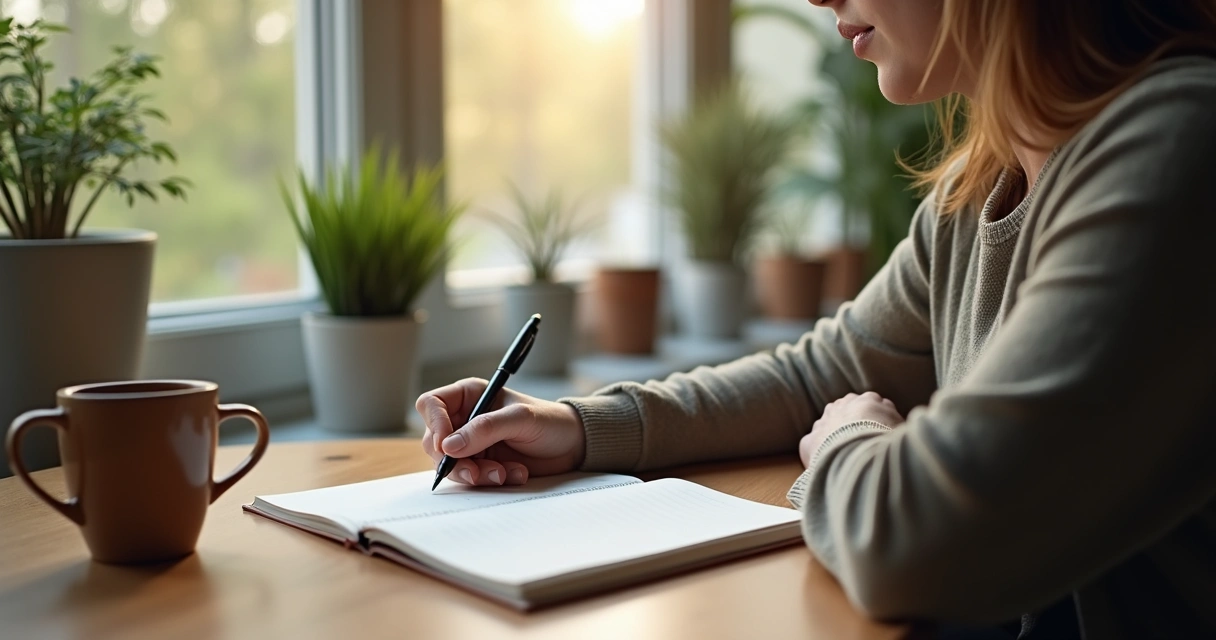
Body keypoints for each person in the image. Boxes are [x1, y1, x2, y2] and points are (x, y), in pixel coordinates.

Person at [416, 0, 1216, 637]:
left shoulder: (1175, 147)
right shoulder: (980, 192)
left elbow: (920, 544)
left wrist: (845, 440)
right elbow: (822, 373)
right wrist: (580, 427)